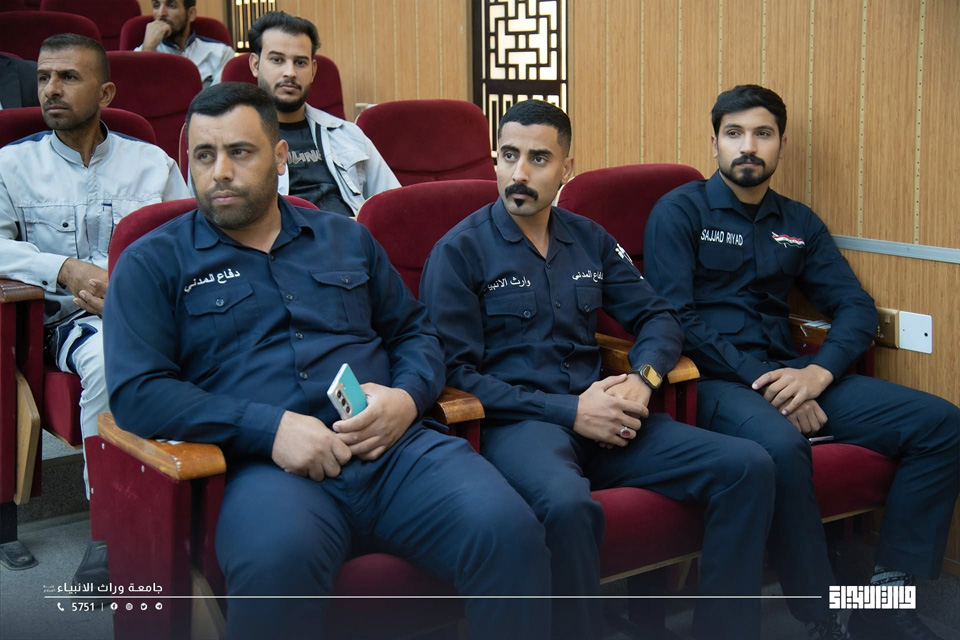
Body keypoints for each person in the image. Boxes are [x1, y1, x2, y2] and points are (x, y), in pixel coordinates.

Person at [103, 82, 551, 640]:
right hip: (265, 470)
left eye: (240, 152)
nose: (220, 172)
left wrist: (406, 398)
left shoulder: (345, 238)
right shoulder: (152, 262)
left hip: (393, 450)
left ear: (280, 156)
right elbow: (138, 392)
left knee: (510, 532)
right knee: (276, 570)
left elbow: (414, 332)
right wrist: (269, 429)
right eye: (204, 155)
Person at [419, 99, 776, 640]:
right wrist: (571, 411)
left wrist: (643, 380)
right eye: (509, 155)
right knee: (566, 506)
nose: (519, 173)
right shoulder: (459, 251)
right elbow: (454, 374)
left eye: (539, 158)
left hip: (610, 414)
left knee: (748, 466)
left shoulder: (589, 238)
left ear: (567, 167)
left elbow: (658, 316)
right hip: (522, 425)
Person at [643, 84, 960, 640]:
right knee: (783, 445)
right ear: (714, 143)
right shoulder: (679, 211)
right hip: (712, 381)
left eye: (762, 134)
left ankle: (887, 600)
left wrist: (817, 374)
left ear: (780, 145)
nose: (748, 146)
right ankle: (823, 614)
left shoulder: (798, 222)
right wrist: (770, 387)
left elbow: (856, 308)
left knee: (942, 424)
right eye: (734, 133)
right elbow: (676, 318)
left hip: (794, 372)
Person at [0, 33, 187, 501]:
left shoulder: (152, 164)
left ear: (105, 94)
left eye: (68, 77)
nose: (51, 89)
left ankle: (197, 496)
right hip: (64, 322)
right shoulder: (10, 165)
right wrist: (63, 268)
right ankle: (110, 511)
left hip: (154, 312)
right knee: (109, 353)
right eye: (43, 77)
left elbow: (188, 243)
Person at [247, 11, 399, 216]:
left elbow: (395, 204)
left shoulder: (349, 135)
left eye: (300, 62)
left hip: (351, 232)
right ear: (255, 65)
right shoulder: (235, 141)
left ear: (313, 70)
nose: (290, 72)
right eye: (277, 60)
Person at [136, 0, 235, 88]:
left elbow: (222, 99)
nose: (161, 13)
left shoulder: (221, 53)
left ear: (191, 14)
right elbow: (136, 95)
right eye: (156, 5)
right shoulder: (141, 52)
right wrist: (148, 50)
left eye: (171, 5)